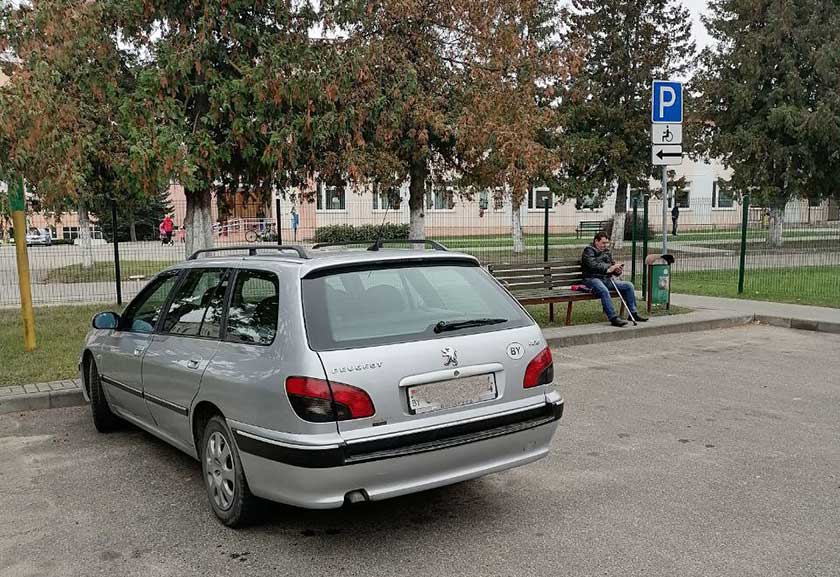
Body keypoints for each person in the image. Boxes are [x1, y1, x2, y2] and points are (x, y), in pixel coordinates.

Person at [581, 232, 648, 327]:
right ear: (596, 241)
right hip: (591, 279)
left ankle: (633, 313)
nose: (605, 245)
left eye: (607, 243)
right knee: (603, 290)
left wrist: (617, 270)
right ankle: (613, 318)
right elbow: (592, 265)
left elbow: (611, 267)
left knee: (629, 285)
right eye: (603, 243)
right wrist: (609, 268)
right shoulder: (588, 251)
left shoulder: (607, 252)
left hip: (606, 279)